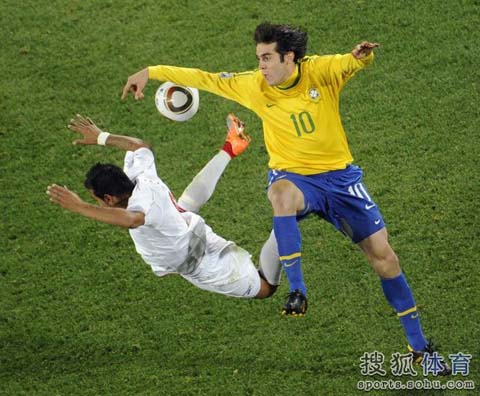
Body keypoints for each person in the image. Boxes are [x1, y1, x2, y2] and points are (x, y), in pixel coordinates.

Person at [120, 22, 451, 373]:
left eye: (266, 58)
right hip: (293, 178)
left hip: (340, 180)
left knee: (385, 260)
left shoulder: (319, 73)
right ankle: (298, 289)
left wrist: (359, 57)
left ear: (289, 57)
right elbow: (204, 78)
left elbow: (347, 63)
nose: (260, 66)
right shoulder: (254, 85)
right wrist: (150, 71)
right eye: (258, 58)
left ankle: (419, 348)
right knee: (280, 194)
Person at [47, 114, 281, 300]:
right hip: (188, 229)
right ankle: (231, 146)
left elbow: (132, 219)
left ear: (109, 199)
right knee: (182, 206)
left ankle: (286, 220)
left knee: (265, 288)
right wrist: (102, 137)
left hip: (199, 262)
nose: (96, 203)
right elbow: (140, 147)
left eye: (96, 198)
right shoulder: (139, 174)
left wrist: (79, 206)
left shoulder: (139, 209)